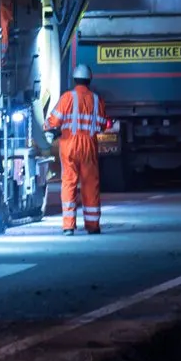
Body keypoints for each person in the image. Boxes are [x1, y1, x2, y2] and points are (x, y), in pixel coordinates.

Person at [46, 62, 107, 234]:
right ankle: (93, 225)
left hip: (69, 144)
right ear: (89, 80)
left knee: (69, 183)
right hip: (89, 145)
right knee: (90, 184)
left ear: (75, 79)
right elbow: (102, 125)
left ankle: (68, 226)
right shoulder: (97, 100)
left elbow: (54, 121)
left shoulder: (67, 97)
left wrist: (46, 127)